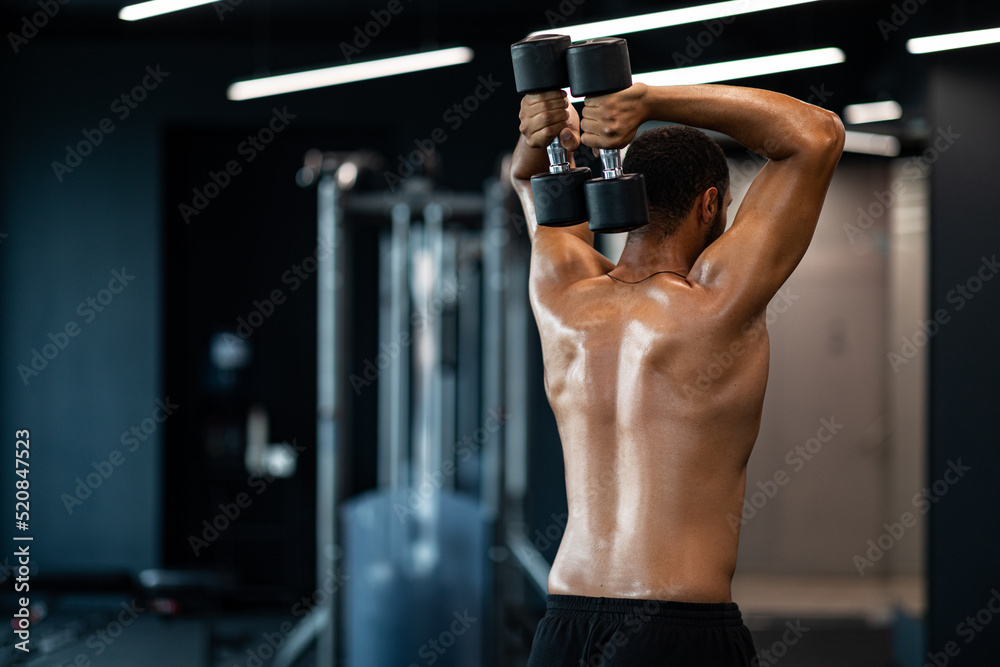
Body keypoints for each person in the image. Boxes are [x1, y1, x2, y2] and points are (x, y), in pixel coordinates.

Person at [511, 82, 845, 666]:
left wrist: (539, 134)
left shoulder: (560, 297)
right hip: (676, 632)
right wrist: (647, 100)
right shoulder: (716, 300)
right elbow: (817, 135)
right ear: (709, 204)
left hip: (564, 626)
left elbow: (526, 180)